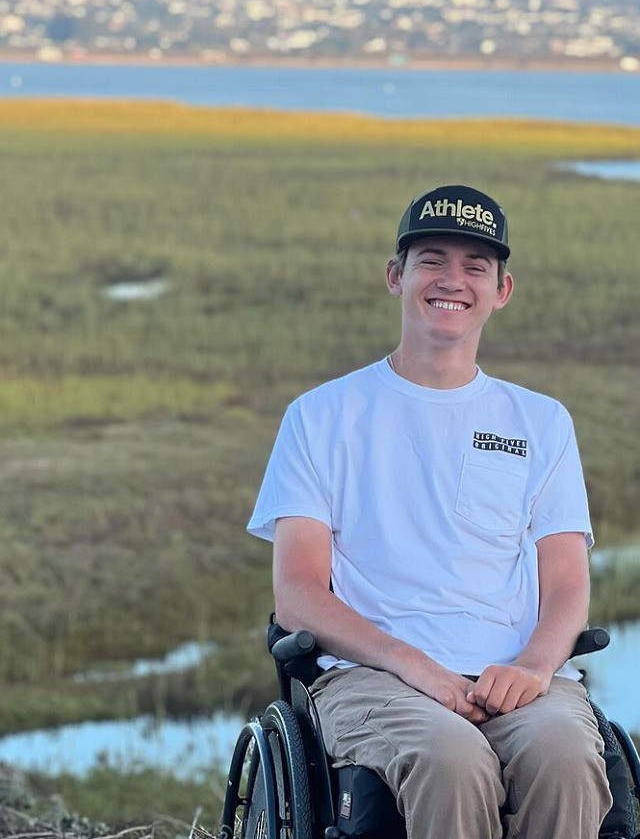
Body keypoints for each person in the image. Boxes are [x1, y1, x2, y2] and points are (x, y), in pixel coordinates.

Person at [247, 184, 612, 839]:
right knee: (452, 758)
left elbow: (565, 584)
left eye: (475, 266)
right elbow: (298, 594)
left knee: (564, 754)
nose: (453, 280)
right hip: (373, 676)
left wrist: (533, 666)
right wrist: (408, 660)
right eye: (432, 260)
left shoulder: (541, 421)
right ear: (396, 276)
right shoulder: (322, 415)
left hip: (516, 675)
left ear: (502, 289)